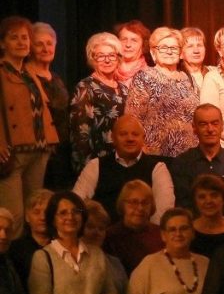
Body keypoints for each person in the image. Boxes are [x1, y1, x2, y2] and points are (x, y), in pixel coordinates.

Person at [0, 16, 59, 239]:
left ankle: (31, 257)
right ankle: (9, 259)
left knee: (36, 214)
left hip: (38, 149)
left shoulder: (29, 73)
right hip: (12, 153)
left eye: (24, 38)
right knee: (13, 216)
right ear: (2, 43)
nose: (21, 42)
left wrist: (50, 141)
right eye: (14, 38)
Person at [72, 114, 174, 223]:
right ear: (113, 138)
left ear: (143, 138)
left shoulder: (158, 168)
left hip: (142, 232)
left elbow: (163, 210)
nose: (130, 139)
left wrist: (151, 232)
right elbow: (76, 202)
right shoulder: (95, 165)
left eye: (135, 134)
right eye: (123, 134)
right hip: (103, 231)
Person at [125, 26, 201, 158]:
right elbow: (132, 120)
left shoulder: (189, 79)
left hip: (189, 156)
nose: (169, 51)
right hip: (156, 155)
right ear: (153, 52)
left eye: (174, 48)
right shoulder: (144, 77)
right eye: (163, 48)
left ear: (180, 53)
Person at [70, 32, 128, 173]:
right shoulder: (85, 87)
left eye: (112, 55)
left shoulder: (124, 89)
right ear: (92, 59)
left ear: (118, 58)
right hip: (96, 161)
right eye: (101, 56)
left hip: (123, 159)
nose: (107, 60)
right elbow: (80, 132)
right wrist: (87, 168)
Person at [170, 104, 224, 208]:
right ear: (194, 128)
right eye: (203, 124)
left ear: (222, 126)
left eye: (215, 123)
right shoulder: (181, 163)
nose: (210, 129)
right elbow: (183, 204)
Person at [28, 22, 72, 189]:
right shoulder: (25, 77)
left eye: (49, 43)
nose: (45, 48)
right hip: (38, 152)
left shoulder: (56, 78)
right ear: (30, 47)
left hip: (61, 153)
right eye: (39, 44)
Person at [103, 180, 165, 274]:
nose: (140, 208)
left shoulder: (161, 234)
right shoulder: (109, 237)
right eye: (133, 202)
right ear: (122, 204)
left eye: (145, 202)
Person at [10, 188, 52, 284]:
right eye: (36, 212)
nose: (43, 217)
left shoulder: (63, 247)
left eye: (47, 213)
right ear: (27, 217)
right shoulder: (15, 249)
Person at [189, 174, 224, 258]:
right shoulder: (188, 231)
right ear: (195, 201)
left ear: (223, 198)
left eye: (214, 195)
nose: (208, 201)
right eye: (202, 197)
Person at [114, 20, 151, 85]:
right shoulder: (108, 69)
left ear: (143, 45)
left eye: (134, 40)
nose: (128, 44)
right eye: (124, 39)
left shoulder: (150, 75)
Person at [181, 27, 209, 92]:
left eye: (199, 45)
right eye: (190, 46)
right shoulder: (176, 78)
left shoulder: (215, 73)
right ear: (180, 54)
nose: (196, 51)